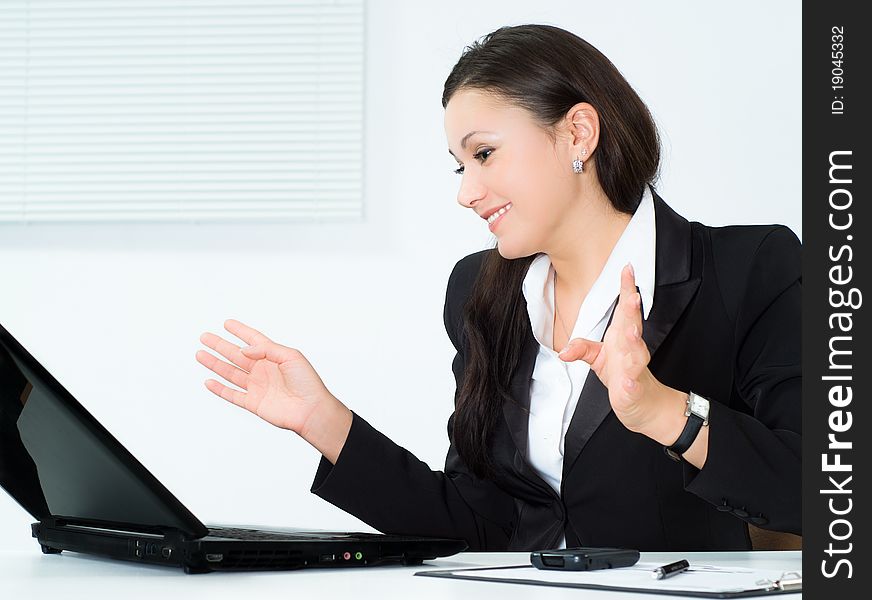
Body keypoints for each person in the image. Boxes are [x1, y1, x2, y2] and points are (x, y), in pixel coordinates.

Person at [195, 24, 801, 552]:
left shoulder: (751, 269)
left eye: (484, 153)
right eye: (461, 166)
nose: (466, 191)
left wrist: (665, 412)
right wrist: (325, 423)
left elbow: (820, 495)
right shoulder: (479, 294)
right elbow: (479, 525)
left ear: (577, 134)